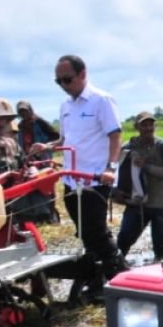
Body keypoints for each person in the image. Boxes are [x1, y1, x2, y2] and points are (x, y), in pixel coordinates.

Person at [32, 54, 125, 295]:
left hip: (94, 178)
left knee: (96, 232)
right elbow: (65, 139)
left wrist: (110, 168)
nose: (64, 85)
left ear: (83, 74)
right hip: (71, 179)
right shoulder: (65, 106)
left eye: (68, 79)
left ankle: (120, 279)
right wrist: (47, 147)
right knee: (84, 232)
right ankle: (96, 279)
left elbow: (115, 136)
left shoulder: (101, 100)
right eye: (59, 81)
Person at [115, 111, 163, 262]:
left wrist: (146, 167)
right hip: (136, 202)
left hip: (159, 203)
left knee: (160, 249)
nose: (148, 127)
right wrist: (116, 191)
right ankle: (113, 270)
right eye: (144, 124)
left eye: (151, 124)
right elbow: (119, 170)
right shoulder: (128, 147)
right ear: (136, 127)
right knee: (123, 240)